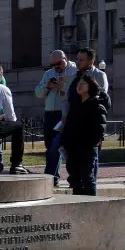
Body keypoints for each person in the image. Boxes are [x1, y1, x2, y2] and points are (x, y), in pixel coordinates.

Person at [64, 47, 110, 185]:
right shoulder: (74, 77)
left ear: (91, 60)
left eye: (81, 60)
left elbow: (102, 98)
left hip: (90, 126)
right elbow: (67, 99)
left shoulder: (99, 75)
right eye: (77, 59)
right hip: (74, 125)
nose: (77, 62)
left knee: (90, 164)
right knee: (75, 168)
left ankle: (91, 190)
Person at [60, 74, 107, 196]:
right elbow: (68, 126)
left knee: (87, 179)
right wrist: (65, 143)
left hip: (87, 149)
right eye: (78, 84)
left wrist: (89, 144)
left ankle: (92, 208)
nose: (79, 86)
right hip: (73, 148)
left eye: (83, 83)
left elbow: (99, 129)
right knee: (74, 180)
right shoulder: (75, 106)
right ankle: (79, 207)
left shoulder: (97, 105)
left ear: (90, 86)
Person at [35, 50, 77, 187]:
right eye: (53, 64)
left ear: (65, 58)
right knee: (50, 146)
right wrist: (47, 86)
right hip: (50, 113)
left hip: (65, 113)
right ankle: (52, 178)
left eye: (58, 63)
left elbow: (77, 92)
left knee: (67, 146)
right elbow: (38, 93)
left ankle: (74, 178)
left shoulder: (74, 72)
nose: (56, 67)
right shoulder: (49, 73)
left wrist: (62, 86)